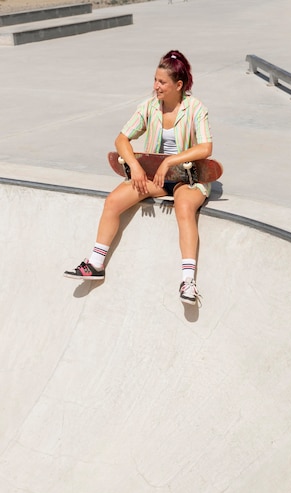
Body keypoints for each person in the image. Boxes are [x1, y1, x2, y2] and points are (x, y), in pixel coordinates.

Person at [64, 50, 213, 305]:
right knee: (113, 201)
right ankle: (96, 264)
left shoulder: (195, 108)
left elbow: (205, 148)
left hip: (188, 178)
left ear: (178, 85)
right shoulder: (148, 107)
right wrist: (135, 165)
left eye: (162, 82)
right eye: (155, 80)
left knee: (184, 206)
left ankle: (188, 282)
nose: (156, 86)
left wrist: (170, 160)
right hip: (155, 178)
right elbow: (121, 139)